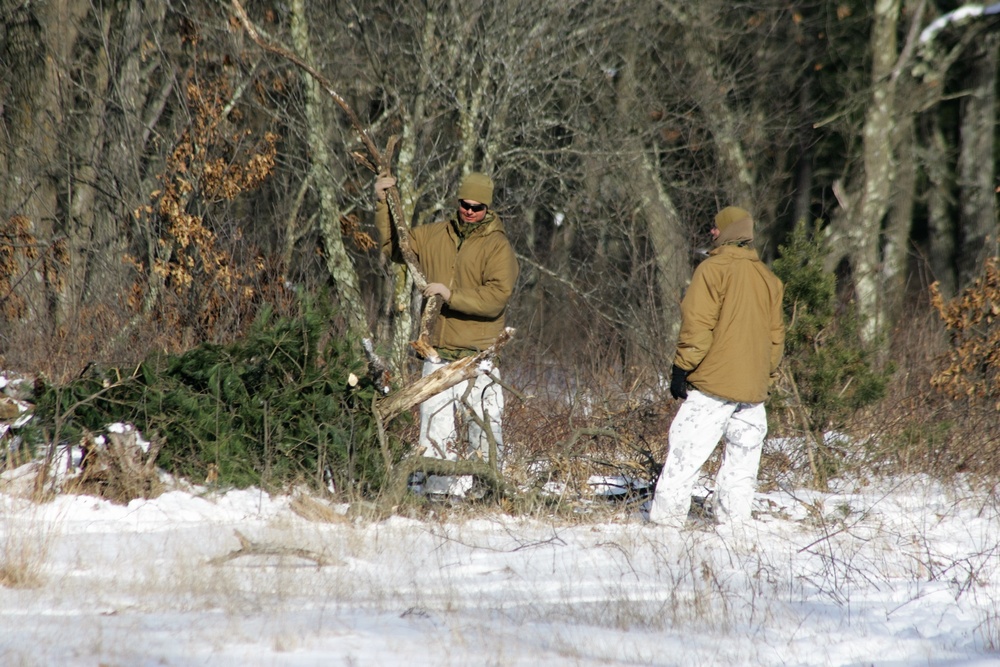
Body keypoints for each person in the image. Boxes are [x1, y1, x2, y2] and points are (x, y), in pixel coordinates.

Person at [374, 171, 519, 497]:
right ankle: (438, 492)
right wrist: (383, 202)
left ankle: (488, 491)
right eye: (465, 204)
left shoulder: (498, 246)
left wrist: (449, 294)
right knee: (435, 426)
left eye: (477, 206)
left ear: (487, 208)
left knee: (485, 427)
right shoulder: (435, 234)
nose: (469, 211)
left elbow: (497, 297)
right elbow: (396, 247)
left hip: (479, 355)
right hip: (437, 353)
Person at [648, 206, 785, 531]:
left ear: (727, 232)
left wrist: (681, 368)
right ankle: (733, 528)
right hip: (753, 393)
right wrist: (766, 377)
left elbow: (698, 326)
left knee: (684, 456)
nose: (711, 232)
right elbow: (776, 338)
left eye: (715, 227)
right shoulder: (769, 279)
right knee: (741, 466)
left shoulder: (713, 269)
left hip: (713, 386)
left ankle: (664, 529)